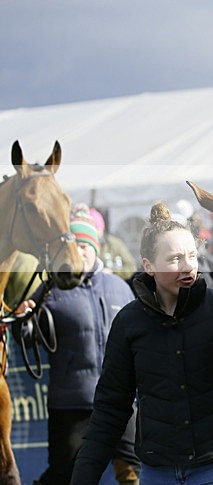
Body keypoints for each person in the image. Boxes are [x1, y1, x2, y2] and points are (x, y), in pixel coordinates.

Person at [70, 202, 213, 485]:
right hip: (157, 470)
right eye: (174, 259)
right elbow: (111, 407)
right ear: (149, 266)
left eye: (192, 256)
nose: (187, 267)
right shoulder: (128, 322)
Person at [13, 204, 140, 485]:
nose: (79, 251)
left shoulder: (119, 286)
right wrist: (25, 318)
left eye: (85, 244)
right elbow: (26, 336)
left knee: (135, 471)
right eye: (74, 245)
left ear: (95, 246)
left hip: (120, 400)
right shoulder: (50, 288)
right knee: (65, 475)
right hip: (72, 403)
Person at [89, 208, 138, 281]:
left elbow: (131, 266)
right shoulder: (83, 247)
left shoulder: (115, 244)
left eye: (96, 227)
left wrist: (112, 272)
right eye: (90, 229)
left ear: (102, 228)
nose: (94, 232)